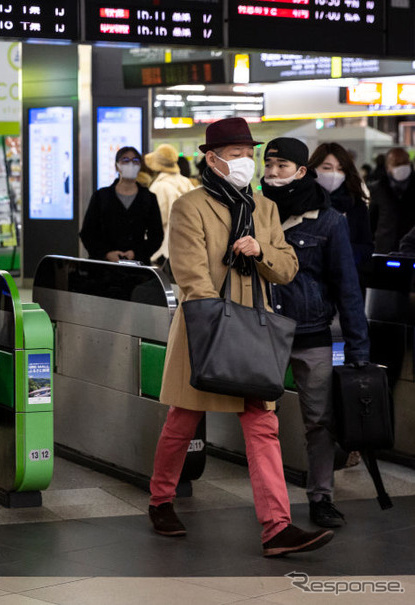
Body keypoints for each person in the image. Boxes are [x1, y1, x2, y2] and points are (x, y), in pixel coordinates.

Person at [147, 117, 334, 557]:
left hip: (254, 332)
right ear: (212, 160)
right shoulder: (190, 206)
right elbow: (191, 277)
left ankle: (276, 527)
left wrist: (260, 249)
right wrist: (221, 324)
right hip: (206, 329)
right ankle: (160, 500)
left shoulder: (264, 208)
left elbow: (287, 268)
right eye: (236, 155)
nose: (245, 163)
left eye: (249, 154)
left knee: (262, 425)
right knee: (183, 419)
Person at [262, 137, 371, 529]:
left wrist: (359, 348)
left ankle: (321, 497)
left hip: (311, 333)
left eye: (282, 167)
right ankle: (272, 505)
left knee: (320, 421)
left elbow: (348, 288)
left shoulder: (329, 221)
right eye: (268, 166)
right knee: (260, 421)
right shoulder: (253, 213)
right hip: (263, 332)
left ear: (300, 171)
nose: (273, 174)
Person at [79, 146, 164, 265]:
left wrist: (136, 253)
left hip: (138, 267)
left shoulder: (148, 198)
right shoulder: (101, 196)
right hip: (104, 267)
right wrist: (106, 253)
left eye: (135, 161)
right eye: (125, 160)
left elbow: (156, 235)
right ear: (117, 166)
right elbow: (87, 233)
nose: (131, 164)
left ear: (140, 166)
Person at [308, 143, 373, 272]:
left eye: (340, 169)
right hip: (309, 281)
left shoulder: (355, 204)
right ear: (313, 169)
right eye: (327, 168)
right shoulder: (302, 202)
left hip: (345, 277)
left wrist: (342, 254)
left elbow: (366, 247)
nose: (334, 174)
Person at [144, 144, 194, 265]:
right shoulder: (186, 182)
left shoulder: (159, 187)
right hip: (187, 247)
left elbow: (155, 221)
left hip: (164, 251)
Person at [369, 147, 415, 253]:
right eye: (396, 164)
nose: (401, 168)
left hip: (410, 249)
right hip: (385, 248)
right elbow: (372, 220)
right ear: (387, 167)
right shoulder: (379, 188)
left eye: (404, 163)